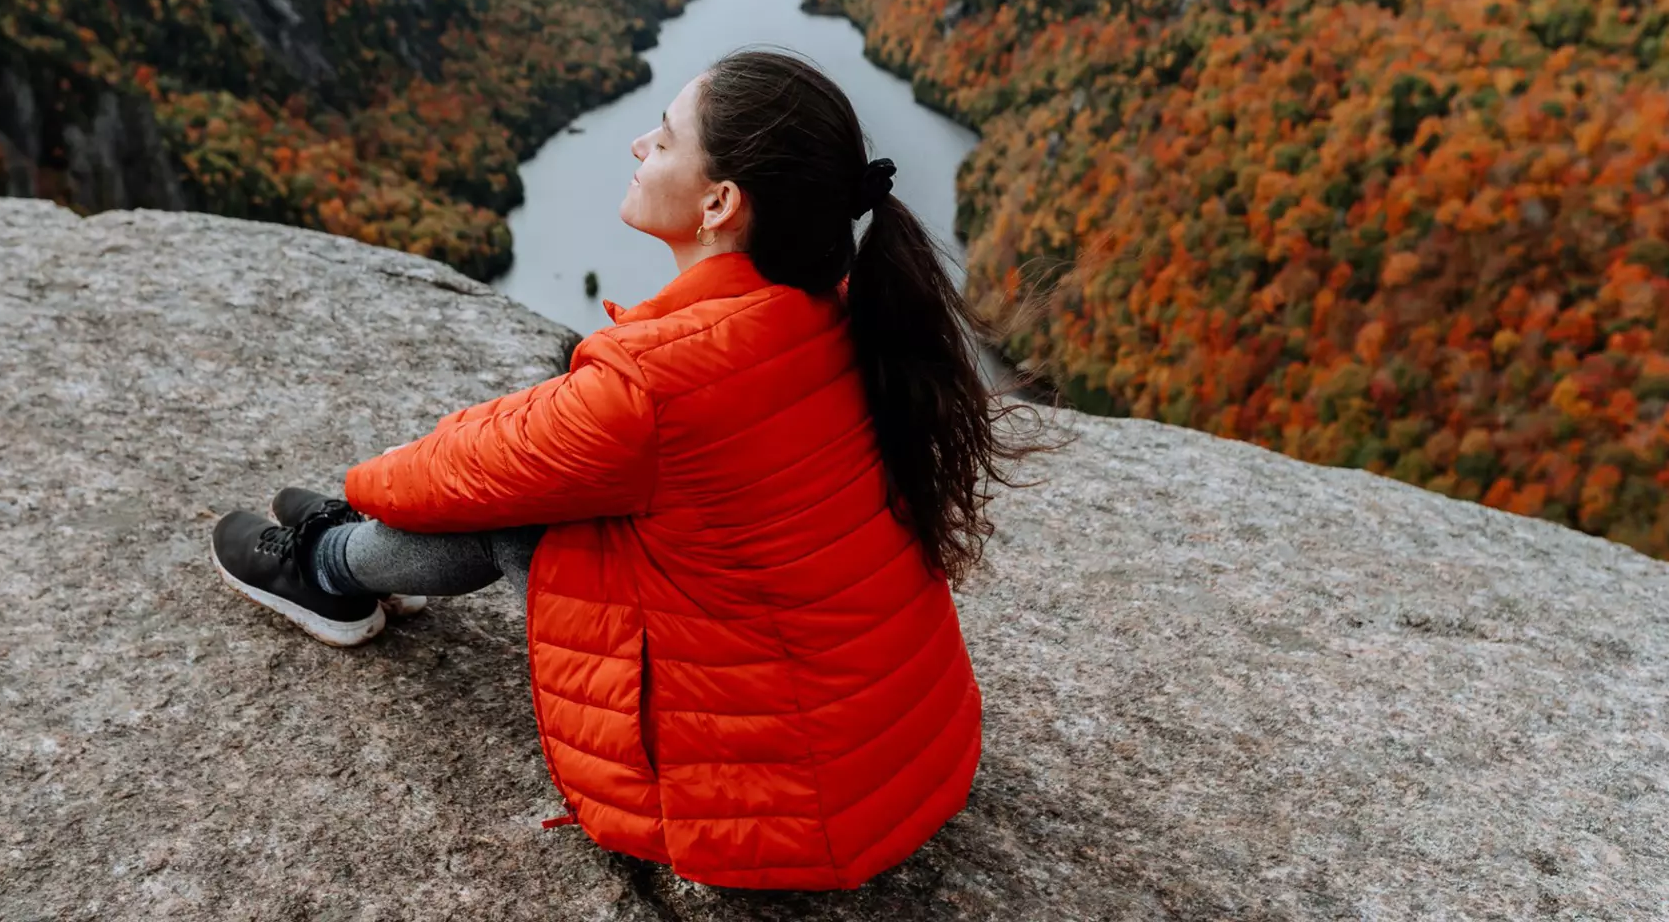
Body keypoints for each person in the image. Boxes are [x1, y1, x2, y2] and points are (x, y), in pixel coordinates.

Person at [209, 47, 1050, 891]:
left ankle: (328, 569)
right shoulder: (834, 309)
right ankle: (366, 561)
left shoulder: (657, 382)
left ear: (719, 203)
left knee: (520, 501)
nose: (639, 145)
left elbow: (470, 471)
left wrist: (372, 480)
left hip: (769, 813)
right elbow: (561, 428)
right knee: (550, 476)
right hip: (897, 765)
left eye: (665, 137)